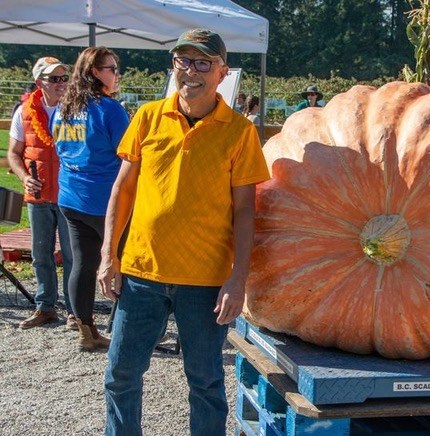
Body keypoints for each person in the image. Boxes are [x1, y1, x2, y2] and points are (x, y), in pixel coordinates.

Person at [98, 28, 270, 435]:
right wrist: (110, 255)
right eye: (183, 60)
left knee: (206, 383)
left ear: (222, 71)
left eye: (203, 63)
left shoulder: (240, 132)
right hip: (142, 274)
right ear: (174, 65)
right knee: (121, 375)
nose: (190, 71)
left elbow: (246, 211)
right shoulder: (148, 117)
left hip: (206, 283)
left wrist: (237, 278)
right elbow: (122, 190)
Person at [50, 46, 130, 351]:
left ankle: (86, 329)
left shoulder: (64, 107)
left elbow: (57, 145)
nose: (116, 74)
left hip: (70, 196)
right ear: (95, 73)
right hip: (104, 200)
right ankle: (128, 330)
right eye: (111, 69)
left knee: (82, 264)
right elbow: (127, 152)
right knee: (123, 264)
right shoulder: (109, 109)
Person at [7, 57, 74, 330]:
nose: (60, 83)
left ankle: (75, 310)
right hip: (39, 193)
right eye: (53, 79)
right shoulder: (24, 112)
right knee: (41, 254)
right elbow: (13, 153)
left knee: (72, 256)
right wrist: (24, 178)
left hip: (70, 194)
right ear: (39, 83)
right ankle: (45, 307)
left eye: (63, 78)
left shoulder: (76, 110)